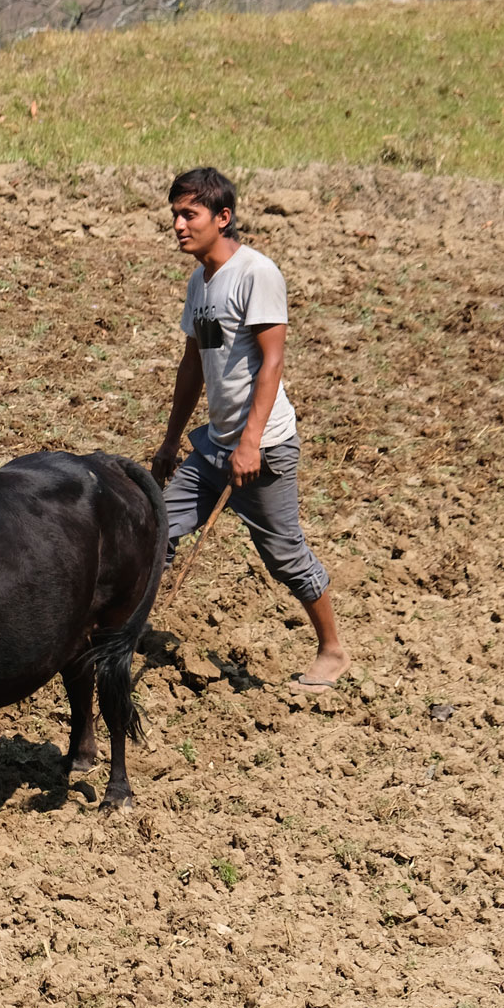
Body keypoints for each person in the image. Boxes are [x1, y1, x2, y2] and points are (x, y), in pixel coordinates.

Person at [150, 168, 349, 692]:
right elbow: (195, 361)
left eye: (188, 214)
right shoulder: (201, 280)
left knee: (284, 555)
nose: (177, 224)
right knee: (155, 528)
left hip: (264, 449)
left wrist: (251, 442)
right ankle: (122, 629)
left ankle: (331, 648)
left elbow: (273, 363)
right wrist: (173, 439)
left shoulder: (256, 273)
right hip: (215, 448)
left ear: (223, 218)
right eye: (174, 214)